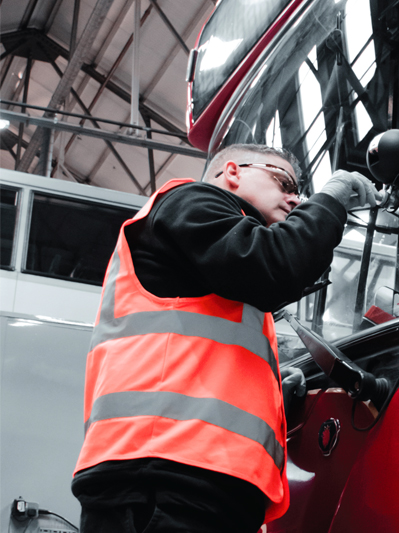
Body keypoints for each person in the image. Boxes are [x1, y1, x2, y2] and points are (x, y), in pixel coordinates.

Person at [72, 143, 381, 533]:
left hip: (193, 478)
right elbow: (277, 265)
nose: (295, 197)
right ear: (231, 172)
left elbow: (204, 363)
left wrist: (269, 398)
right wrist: (333, 195)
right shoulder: (190, 200)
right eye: (283, 181)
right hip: (164, 475)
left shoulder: (226, 278)